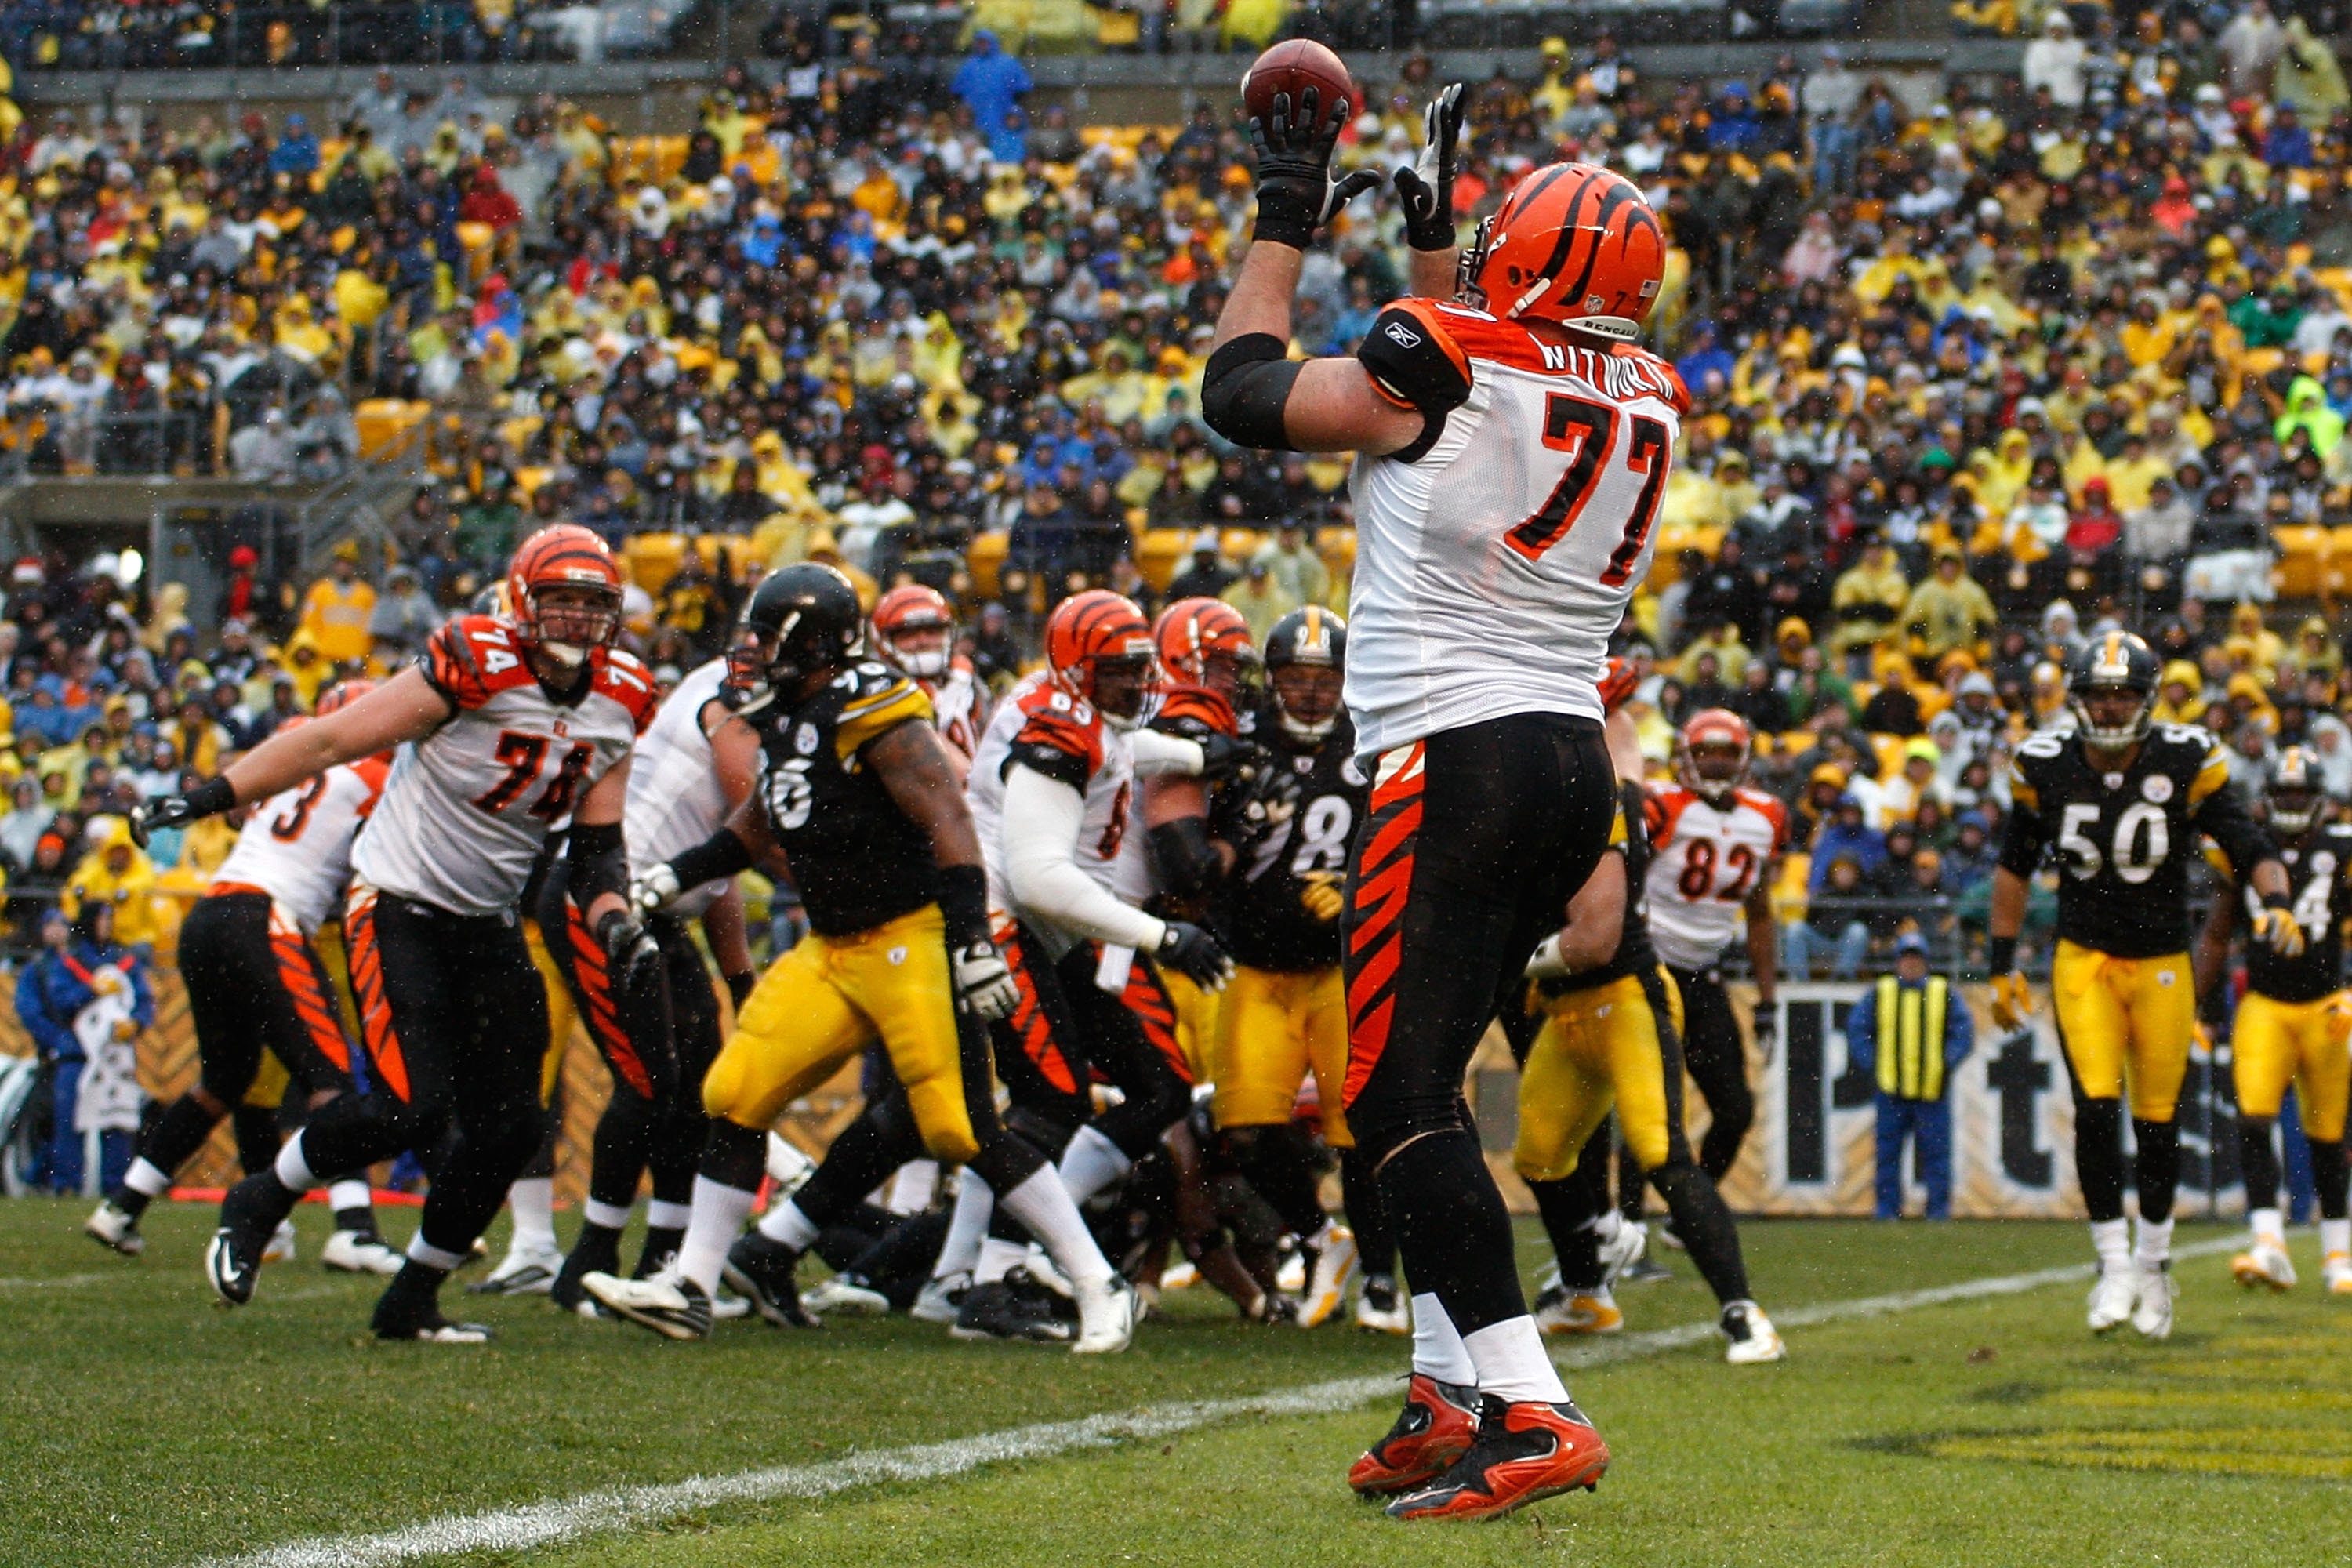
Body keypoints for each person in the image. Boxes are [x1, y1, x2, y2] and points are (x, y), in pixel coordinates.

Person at [1202, 79, 1664, 1518]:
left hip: (1451, 759)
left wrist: (1288, 208)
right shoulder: (1645, 389)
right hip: (1564, 756)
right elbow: (1475, 379)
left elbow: (1244, 394)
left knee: (1394, 1095)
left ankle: (1530, 1405)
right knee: (1432, 1079)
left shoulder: (1452, 353)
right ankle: (1442, 1387)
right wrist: (1438, 250)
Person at [590, 567, 1142, 1354]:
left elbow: (948, 818)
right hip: (834, 946)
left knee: (961, 1125)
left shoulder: (868, 703)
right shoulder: (783, 714)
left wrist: (972, 941)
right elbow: (755, 827)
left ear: (813, 640)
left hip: (908, 936)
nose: (752, 649)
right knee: (734, 1090)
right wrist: (675, 874)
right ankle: (691, 1286)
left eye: (768, 634)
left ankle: (1098, 1281)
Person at [134, 524, 659, 1344]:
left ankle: (413, 1294)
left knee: (515, 1123)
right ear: (522, 601)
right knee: (412, 1104)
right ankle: (261, 1194)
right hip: (397, 904)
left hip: (488, 920)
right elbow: (333, 737)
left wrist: (616, 919)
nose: (577, 618)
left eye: (594, 603)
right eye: (560, 599)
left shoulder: (624, 693)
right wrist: (205, 796)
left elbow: (597, 850)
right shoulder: (473, 658)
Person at [930, 590, 1235, 1342]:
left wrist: (1197, 755)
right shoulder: (1058, 731)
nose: (1136, 687)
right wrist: (1163, 938)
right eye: (1117, 672)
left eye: (1140, 670)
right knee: (1050, 1099)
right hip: (1009, 920)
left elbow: (1124, 743)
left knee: (1143, 1086)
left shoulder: (1081, 708)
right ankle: (992, 1280)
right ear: (1074, 670)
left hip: (1049, 933)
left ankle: (982, 1274)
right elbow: (1039, 875)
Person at [1987, 631, 2291, 1341]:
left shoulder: (2187, 759)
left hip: (2161, 962)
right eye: (2101, 692)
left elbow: (2251, 846)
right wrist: (1998, 964)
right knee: (2095, 1109)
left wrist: (2274, 902)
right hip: (2083, 960)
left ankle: (2154, 1264)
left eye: (2125, 692)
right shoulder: (2043, 764)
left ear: (2149, 698)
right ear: (2079, 699)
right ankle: (2112, 1264)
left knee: (2157, 1123)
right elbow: (2013, 867)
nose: (2113, 705)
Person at [84, 681, 397, 1274]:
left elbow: (244, 806)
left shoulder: (293, 749)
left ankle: (122, 1206)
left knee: (223, 1080)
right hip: (266, 917)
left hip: (209, 913)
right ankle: (354, 1230)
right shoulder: (377, 782)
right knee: (329, 1079)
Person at [1512, 692, 1782, 1362]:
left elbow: (1595, 937)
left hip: (1627, 986)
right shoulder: (1518, 816)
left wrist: (1507, 964)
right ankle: (1585, 1289)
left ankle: (1743, 1312)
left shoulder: (1612, 808)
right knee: (1540, 1156)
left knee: (1664, 1149)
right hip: (1567, 1007)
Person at [537, 652, 763, 1312]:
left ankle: (666, 1259)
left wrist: (741, 976)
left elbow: (717, 864)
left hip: (659, 907)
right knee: (648, 1082)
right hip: (605, 902)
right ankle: (590, 1260)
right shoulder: (739, 691)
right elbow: (752, 809)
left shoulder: (771, 702)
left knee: (697, 1085)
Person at [1202, 606, 1397, 1330]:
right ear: (1272, 678)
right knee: (1243, 1129)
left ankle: (1380, 1280)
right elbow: (1207, 844)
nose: (1312, 691)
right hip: (1254, 967)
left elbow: (1400, 837)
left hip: (1339, 972)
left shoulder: (1370, 743)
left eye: (1325, 678)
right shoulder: (1239, 742)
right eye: (1295, 676)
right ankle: (1322, 1239)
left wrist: (1354, 895)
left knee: (1363, 1138)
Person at [2194, 747, 2352, 1297]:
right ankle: (2270, 1243)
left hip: (2326, 1003)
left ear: (2317, 799)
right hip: (2264, 1002)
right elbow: (2217, 935)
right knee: (2254, 1120)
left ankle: (2338, 1255)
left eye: (2298, 795)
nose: (2289, 803)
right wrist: (2199, 1006)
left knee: (2329, 1135)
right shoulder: (2246, 853)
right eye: (2282, 794)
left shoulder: (2342, 848)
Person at [1639, 710, 1784, 1192]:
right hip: (1647, 968)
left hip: (1704, 973)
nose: (1717, 763)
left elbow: (1761, 913)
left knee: (1735, 1109)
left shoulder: (1765, 816)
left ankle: (1691, 1215)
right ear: (1686, 754)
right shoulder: (1660, 803)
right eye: (1706, 751)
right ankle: (1630, 1228)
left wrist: (1767, 1000)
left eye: (1726, 752)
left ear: (1743, 758)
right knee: (1654, 1108)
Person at [17, 901, 153, 1196]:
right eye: (101, 919)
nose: (106, 925)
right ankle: (64, 1186)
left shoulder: (123, 960)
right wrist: (91, 990)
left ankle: (116, 1189)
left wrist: (136, 1024)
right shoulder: (69, 962)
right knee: (68, 1123)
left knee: (118, 1122)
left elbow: (143, 1001)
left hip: (115, 1056)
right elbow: (60, 1002)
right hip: (76, 1054)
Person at [1845, 929, 1972, 1221]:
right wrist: (1874, 1063)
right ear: (1897, 962)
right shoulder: (1882, 992)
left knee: (1936, 1155)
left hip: (1931, 1089)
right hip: (1891, 1089)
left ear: (1925, 962)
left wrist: (1944, 1062)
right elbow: (1858, 1030)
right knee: (1888, 1154)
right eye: (1906, 959)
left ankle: (1938, 1211)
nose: (1911, 965)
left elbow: (1963, 1034)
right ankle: (1888, 1210)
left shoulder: (1943, 993)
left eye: (1916, 959)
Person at [870, 584, 989, 768]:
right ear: (884, 642)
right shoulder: (880, 691)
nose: (923, 641)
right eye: (909, 634)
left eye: (933, 632)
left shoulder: (965, 679)